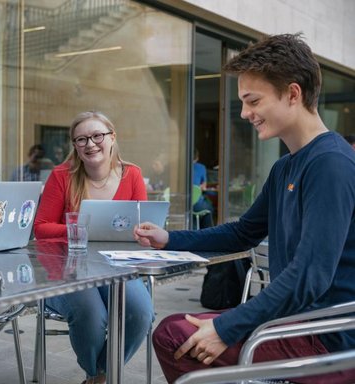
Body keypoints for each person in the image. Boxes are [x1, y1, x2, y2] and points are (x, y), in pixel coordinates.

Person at [134, 33, 355, 383]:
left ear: (293, 94)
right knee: (178, 333)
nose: (244, 113)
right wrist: (169, 239)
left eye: (252, 100)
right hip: (292, 323)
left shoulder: (331, 164)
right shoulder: (286, 167)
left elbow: (310, 277)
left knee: (177, 336)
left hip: (326, 341)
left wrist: (227, 327)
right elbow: (243, 233)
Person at [34, 111, 154, 384]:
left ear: (112, 138)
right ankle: (96, 375)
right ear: (75, 146)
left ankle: (99, 375)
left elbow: (144, 225)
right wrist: (83, 230)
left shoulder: (132, 174)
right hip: (67, 270)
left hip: (118, 268)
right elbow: (41, 228)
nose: (90, 144)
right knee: (90, 312)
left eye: (97, 136)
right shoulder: (62, 176)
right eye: (81, 139)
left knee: (141, 313)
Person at [192, 148, 214, 228]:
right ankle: (207, 232)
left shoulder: (181, 167)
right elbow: (203, 186)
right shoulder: (201, 167)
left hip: (183, 204)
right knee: (209, 209)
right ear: (197, 158)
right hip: (197, 203)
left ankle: (195, 228)